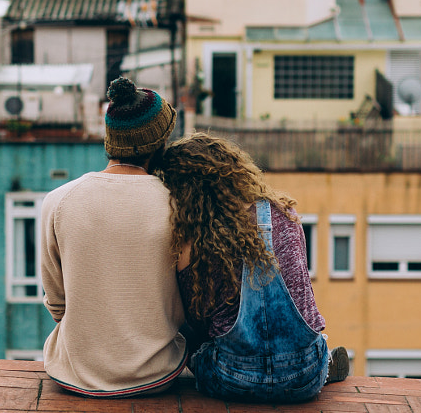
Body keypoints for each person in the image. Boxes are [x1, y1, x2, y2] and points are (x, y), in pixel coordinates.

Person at [155, 133, 349, 403]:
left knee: (180, 326)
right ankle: (324, 363)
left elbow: (197, 320)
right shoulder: (284, 213)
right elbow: (302, 292)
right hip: (305, 376)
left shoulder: (195, 239)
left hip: (232, 379)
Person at [40, 77, 187, 397]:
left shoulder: (59, 200)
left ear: (111, 141)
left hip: (74, 375)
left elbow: (57, 305)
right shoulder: (178, 205)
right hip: (158, 374)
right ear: (159, 144)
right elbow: (189, 302)